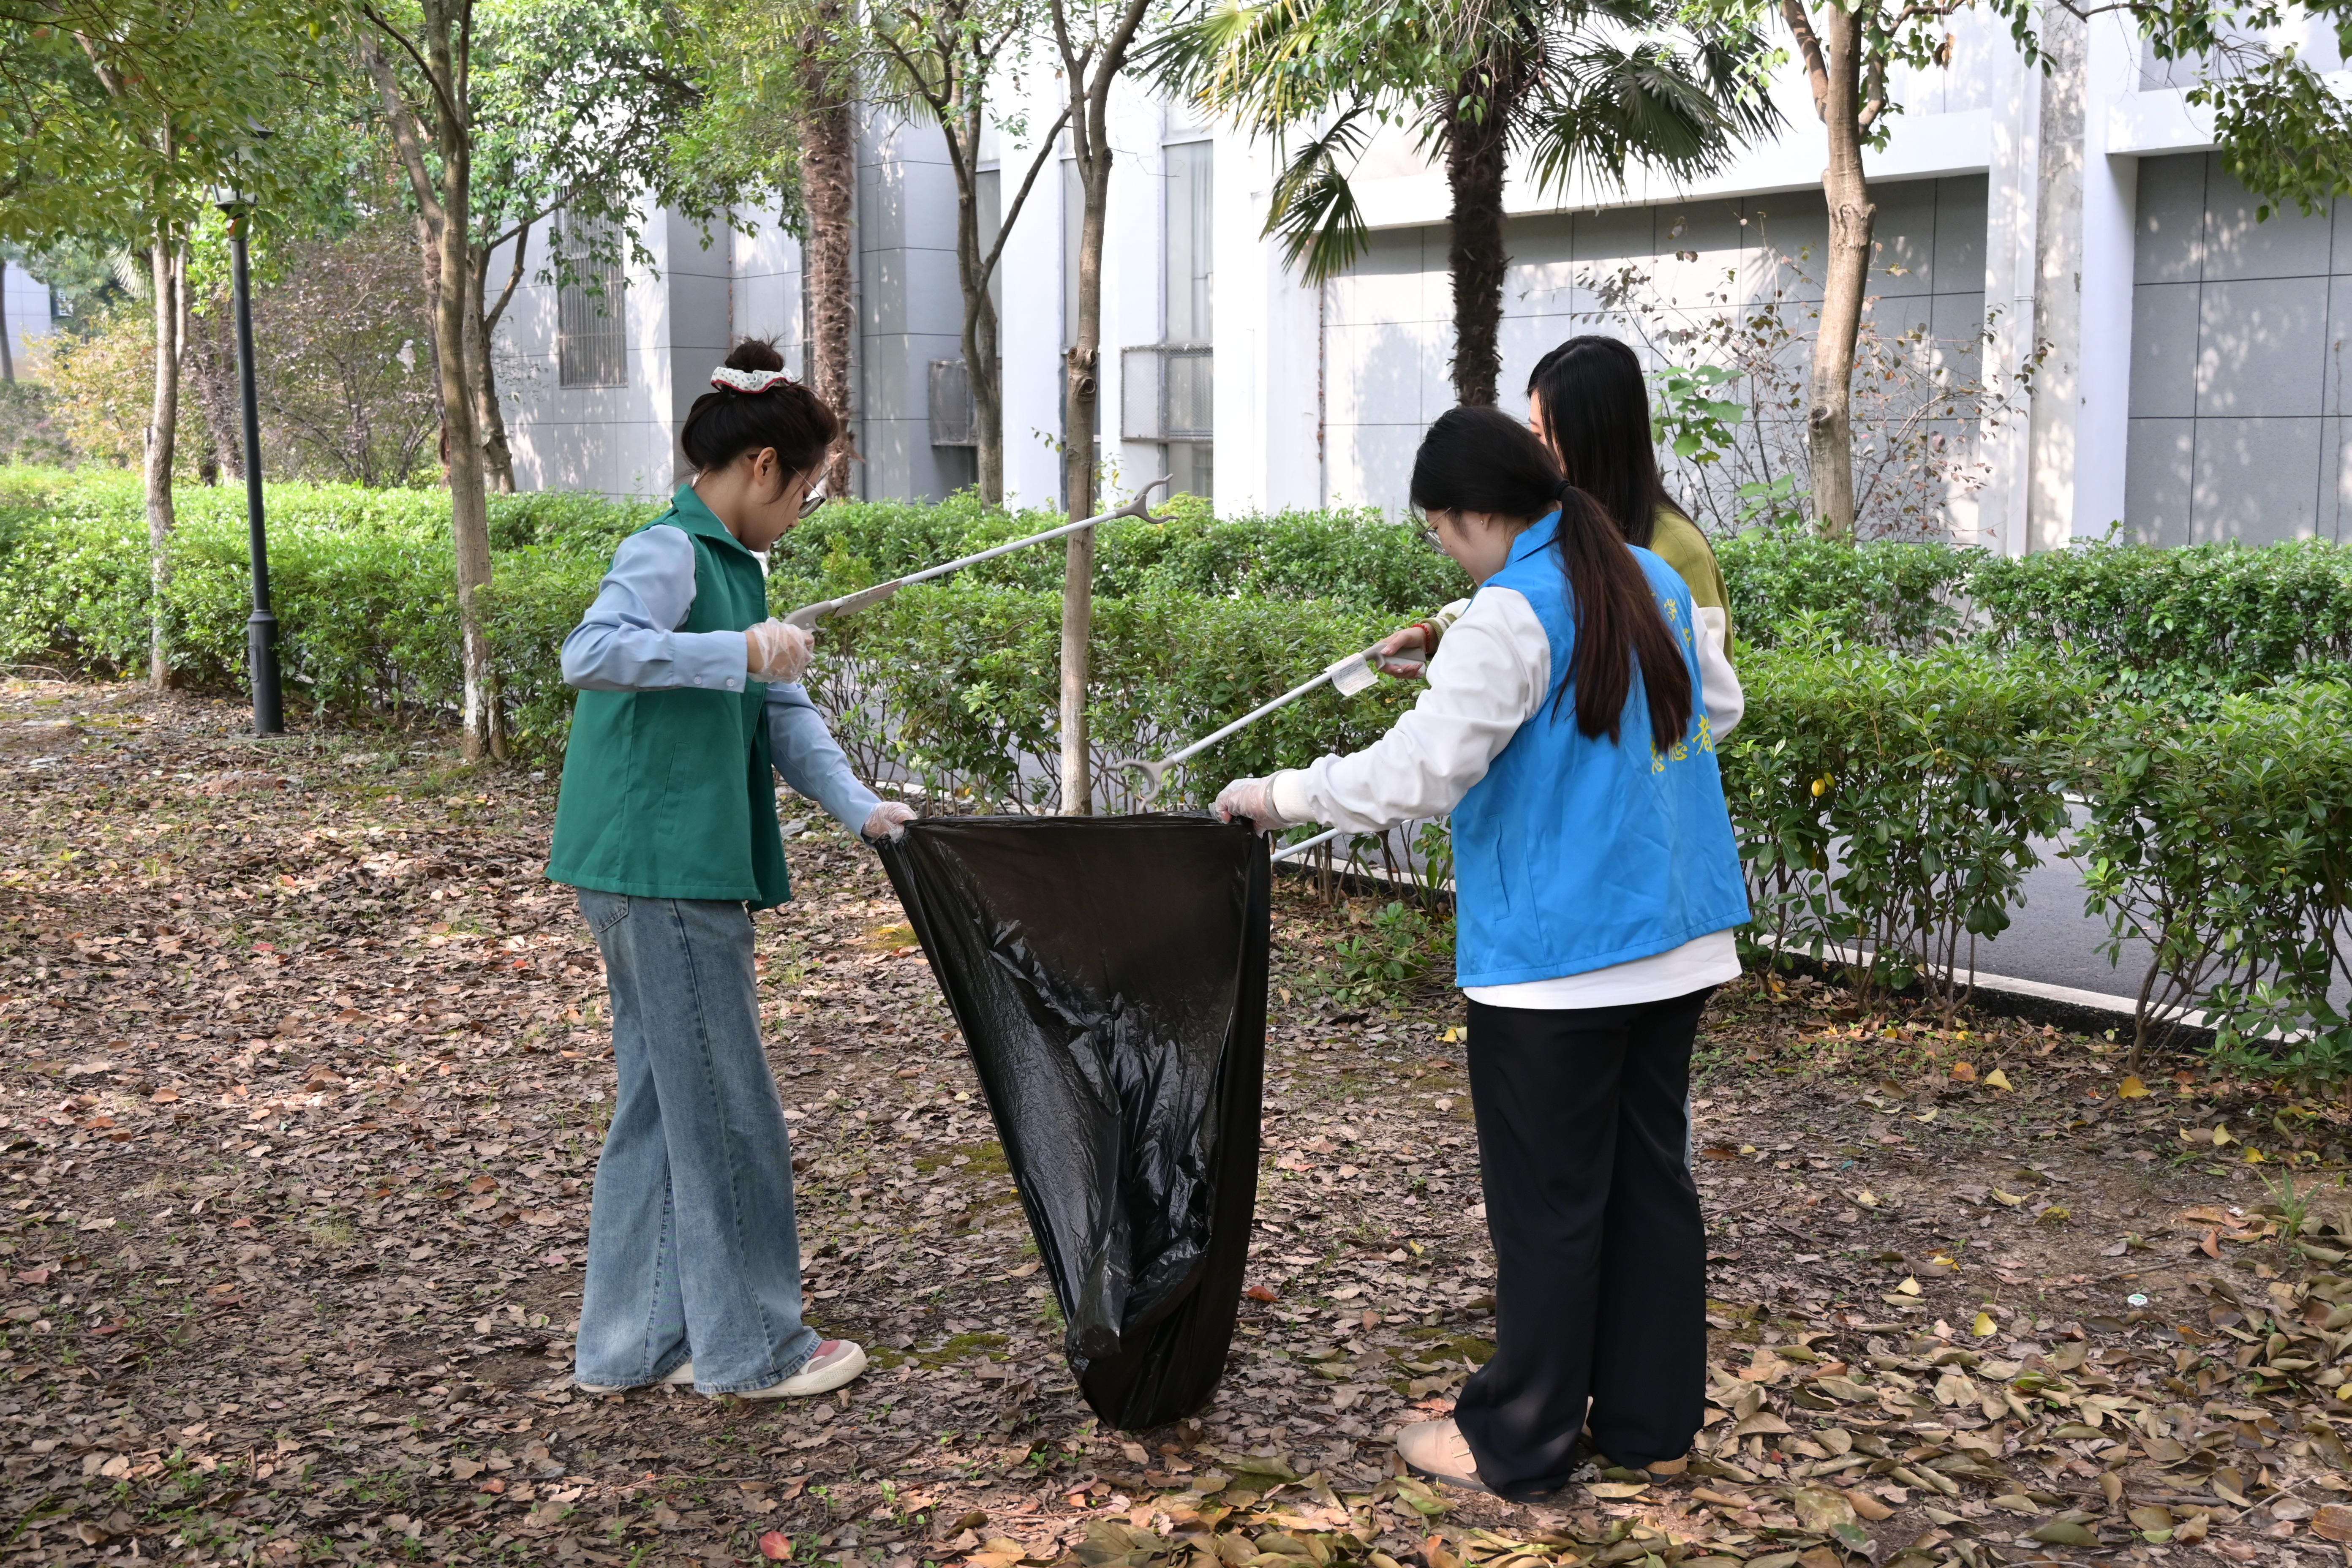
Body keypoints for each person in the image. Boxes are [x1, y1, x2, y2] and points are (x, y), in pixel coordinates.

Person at [1215, 407, 1748, 1499]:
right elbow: (1717, 707)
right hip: (1682, 937)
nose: (1446, 552)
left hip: (1560, 956)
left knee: (1550, 1205)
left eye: (1443, 533)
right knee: (1649, 1187)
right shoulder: (1645, 571)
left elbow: (1419, 773)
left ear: (1475, 515)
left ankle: (1521, 1440)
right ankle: (1650, 1427)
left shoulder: (1514, 608)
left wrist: (1278, 796)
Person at [545, 338, 915, 1400]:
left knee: (665, 1102)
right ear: (762, 469)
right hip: (659, 868)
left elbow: (781, 717)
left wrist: (863, 810)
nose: (804, 509)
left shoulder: (735, 568)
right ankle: (753, 1346)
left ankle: (630, 1344)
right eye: (806, 489)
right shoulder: (669, 550)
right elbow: (592, 653)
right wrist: (734, 652)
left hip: (654, 864)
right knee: (724, 1104)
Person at [1527, 334, 1734, 659]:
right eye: (1534, 433)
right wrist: (1436, 631)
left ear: (1592, 438)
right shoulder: (1554, 521)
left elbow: (1703, 688)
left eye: (1544, 436)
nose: (1535, 452)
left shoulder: (1677, 550)